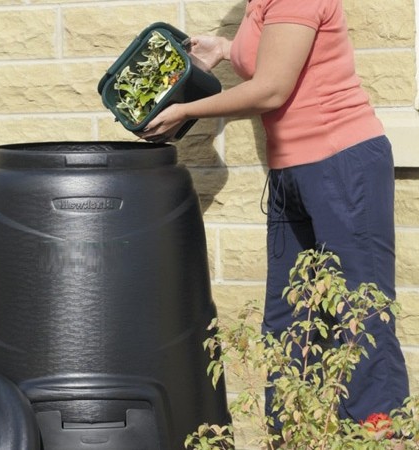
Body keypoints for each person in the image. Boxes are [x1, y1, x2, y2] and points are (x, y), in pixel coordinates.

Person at [138, 0, 410, 434]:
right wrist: (227, 49)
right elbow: (275, 51)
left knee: (359, 313)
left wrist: (185, 110)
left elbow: (271, 89)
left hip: (341, 165)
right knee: (289, 318)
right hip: (292, 174)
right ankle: (294, 435)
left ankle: (377, 436)